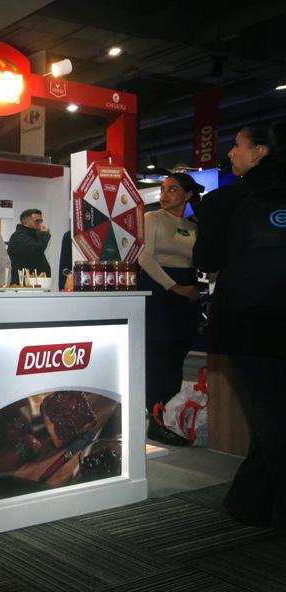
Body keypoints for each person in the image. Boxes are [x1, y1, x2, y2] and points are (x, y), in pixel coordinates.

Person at [193, 122, 286, 530]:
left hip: (249, 321)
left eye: (237, 145)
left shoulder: (225, 201)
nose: (230, 153)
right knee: (274, 410)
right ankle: (248, 500)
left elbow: (206, 261)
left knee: (270, 411)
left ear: (259, 151)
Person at [137, 173, 203, 445]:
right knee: (158, 356)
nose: (164, 194)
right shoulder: (152, 218)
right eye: (163, 189)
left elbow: (202, 260)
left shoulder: (194, 226)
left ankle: (169, 415)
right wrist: (174, 287)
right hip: (160, 290)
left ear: (188, 195)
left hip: (187, 292)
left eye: (172, 189)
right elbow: (145, 258)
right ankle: (155, 419)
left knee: (176, 357)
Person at [7, 208, 51, 277]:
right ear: (25, 222)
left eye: (41, 221)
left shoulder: (32, 235)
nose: (40, 224)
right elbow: (37, 249)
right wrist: (44, 235)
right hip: (23, 281)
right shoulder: (18, 236)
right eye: (37, 221)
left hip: (35, 280)